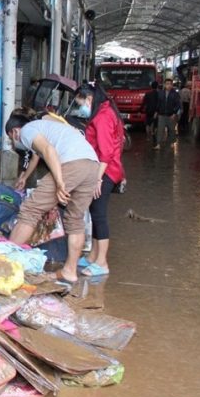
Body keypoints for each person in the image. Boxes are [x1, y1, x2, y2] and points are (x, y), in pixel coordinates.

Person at [5, 113, 100, 283]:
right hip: (92, 165)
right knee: (75, 219)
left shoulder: (26, 130)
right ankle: (70, 271)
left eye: (11, 138)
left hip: (72, 164)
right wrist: (24, 177)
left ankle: (4, 262)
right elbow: (37, 155)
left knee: (30, 209)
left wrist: (59, 181)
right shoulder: (45, 128)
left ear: (14, 131)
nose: (13, 143)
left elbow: (49, 151)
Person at [71, 84, 125, 276]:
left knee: (100, 215)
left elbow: (106, 152)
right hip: (108, 169)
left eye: (81, 103)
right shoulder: (106, 110)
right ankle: (93, 256)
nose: (82, 109)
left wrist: (97, 179)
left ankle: (102, 263)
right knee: (95, 213)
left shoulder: (102, 117)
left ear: (89, 99)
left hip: (106, 171)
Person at [155, 78, 181, 148]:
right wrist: (156, 112)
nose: (168, 85)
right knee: (160, 130)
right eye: (167, 84)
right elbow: (158, 103)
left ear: (172, 85)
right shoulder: (161, 93)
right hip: (162, 114)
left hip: (171, 115)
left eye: (170, 84)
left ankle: (172, 142)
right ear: (164, 85)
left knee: (172, 129)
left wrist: (174, 113)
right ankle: (158, 144)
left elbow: (178, 104)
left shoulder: (175, 94)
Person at [143, 80, 160, 146]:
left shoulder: (147, 93)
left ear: (151, 86)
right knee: (155, 124)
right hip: (155, 111)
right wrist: (157, 111)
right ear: (157, 86)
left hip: (148, 111)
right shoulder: (159, 94)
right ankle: (153, 135)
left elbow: (144, 103)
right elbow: (159, 103)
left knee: (147, 124)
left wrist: (140, 110)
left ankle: (148, 137)